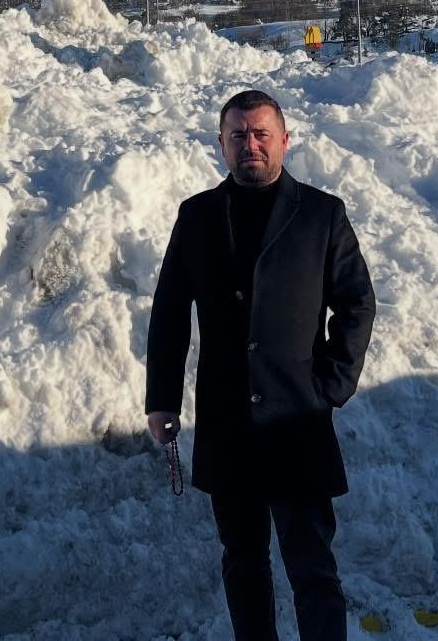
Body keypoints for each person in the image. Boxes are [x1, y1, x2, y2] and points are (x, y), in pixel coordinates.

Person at [144, 89, 375, 641]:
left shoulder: (322, 214)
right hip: (228, 424)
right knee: (243, 564)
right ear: (221, 143)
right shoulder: (196, 216)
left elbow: (356, 302)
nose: (250, 144)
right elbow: (171, 310)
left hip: (298, 420)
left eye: (260, 133)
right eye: (238, 135)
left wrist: (332, 386)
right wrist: (162, 399)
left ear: (284, 140)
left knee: (312, 566)